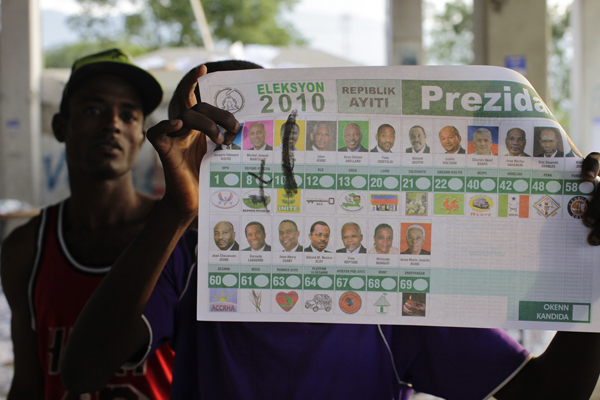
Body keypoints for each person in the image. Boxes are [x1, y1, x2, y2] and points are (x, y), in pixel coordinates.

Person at [61, 64, 600, 400]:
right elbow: (83, 371)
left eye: (256, 134)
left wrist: (595, 265)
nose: (237, 159)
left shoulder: (386, 280)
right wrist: (177, 211)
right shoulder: (191, 258)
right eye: (207, 142)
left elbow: (549, 391)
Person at [0, 48, 174, 399]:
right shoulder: (25, 249)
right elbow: (28, 383)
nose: (113, 123)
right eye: (94, 109)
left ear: (141, 136)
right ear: (60, 126)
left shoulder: (177, 235)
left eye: (129, 115)